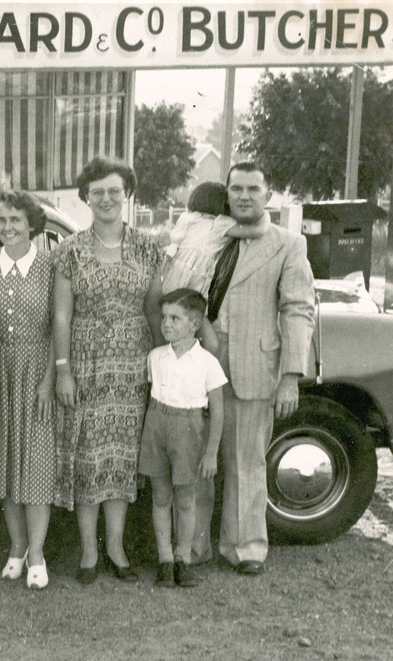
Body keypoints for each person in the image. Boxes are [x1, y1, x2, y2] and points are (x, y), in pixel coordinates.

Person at [191, 162, 315, 575]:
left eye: (252, 189)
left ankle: (246, 549)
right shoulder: (207, 237)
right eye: (236, 189)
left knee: (246, 463)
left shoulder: (287, 244)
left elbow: (297, 310)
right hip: (198, 365)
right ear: (226, 193)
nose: (244, 196)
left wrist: (290, 378)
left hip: (253, 368)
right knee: (195, 460)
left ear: (268, 194)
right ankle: (191, 547)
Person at [53, 156, 163, 585]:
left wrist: (160, 367)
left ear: (127, 194)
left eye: (114, 191)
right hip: (85, 365)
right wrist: (64, 371)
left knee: (120, 459)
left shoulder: (148, 247)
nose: (106, 199)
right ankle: (87, 551)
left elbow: (154, 310)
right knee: (88, 459)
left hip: (132, 368)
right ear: (86, 197)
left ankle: (116, 548)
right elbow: (61, 317)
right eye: (97, 192)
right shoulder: (69, 251)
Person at [0, 190, 58, 590]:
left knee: (37, 463)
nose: (9, 227)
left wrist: (49, 379)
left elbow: (58, 329)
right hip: (0, 373)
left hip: (37, 372)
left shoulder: (50, 265)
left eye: (16, 220)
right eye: (2, 221)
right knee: (6, 464)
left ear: (31, 223)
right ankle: (16, 547)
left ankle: (38, 553)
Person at [139, 288, 226, 588]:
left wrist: (211, 452)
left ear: (194, 323)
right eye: (164, 317)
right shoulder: (155, 357)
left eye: (175, 318)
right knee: (160, 496)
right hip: (156, 424)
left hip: (188, 429)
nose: (166, 324)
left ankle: (183, 559)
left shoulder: (207, 363)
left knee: (186, 499)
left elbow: (217, 412)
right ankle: (164, 560)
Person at [162, 181, 263, 352]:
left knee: (176, 342)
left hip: (171, 287)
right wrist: (264, 217)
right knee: (210, 344)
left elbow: (173, 244)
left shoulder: (188, 218)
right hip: (191, 293)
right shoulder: (220, 223)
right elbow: (254, 231)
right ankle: (200, 374)